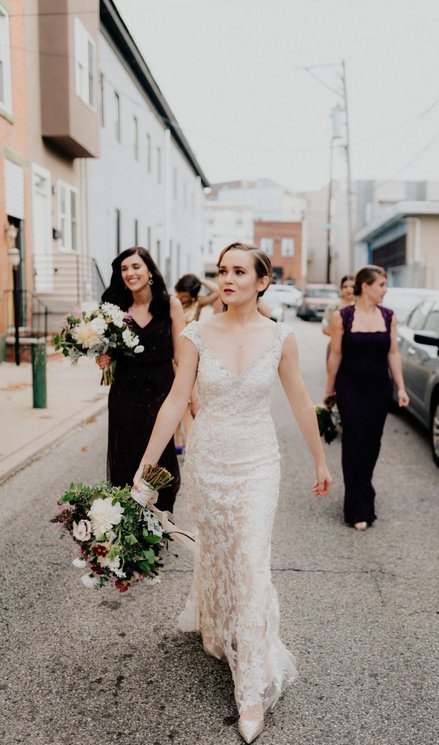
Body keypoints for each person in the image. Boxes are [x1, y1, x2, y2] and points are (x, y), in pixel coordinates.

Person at [131, 242, 332, 743]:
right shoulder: (197, 334)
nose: (228, 278)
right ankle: (217, 625)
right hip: (209, 460)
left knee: (250, 563)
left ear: (262, 281)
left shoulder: (281, 337)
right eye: (223, 271)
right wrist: (146, 465)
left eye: (239, 271)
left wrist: (321, 459)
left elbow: (301, 402)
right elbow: (177, 399)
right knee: (220, 554)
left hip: (259, 462)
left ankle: (252, 691)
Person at [96, 247, 185, 512]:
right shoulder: (115, 309)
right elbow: (107, 351)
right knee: (126, 456)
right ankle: (127, 521)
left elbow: (181, 357)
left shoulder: (170, 304)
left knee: (160, 457)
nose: (130, 273)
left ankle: (158, 520)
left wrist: (189, 398)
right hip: (125, 392)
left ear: (149, 270)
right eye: (124, 269)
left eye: (135, 267)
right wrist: (103, 358)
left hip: (161, 393)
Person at [324, 265, 408, 531]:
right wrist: (329, 390)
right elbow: (335, 354)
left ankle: (365, 489)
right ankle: (357, 506)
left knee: (373, 442)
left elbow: (393, 353)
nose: (385, 290)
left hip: (378, 389)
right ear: (365, 286)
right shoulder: (343, 316)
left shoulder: (388, 316)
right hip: (350, 387)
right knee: (354, 441)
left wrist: (401, 388)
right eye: (381, 284)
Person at [173, 274, 221, 452]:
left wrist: (200, 280)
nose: (181, 298)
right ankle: (178, 438)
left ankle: (190, 440)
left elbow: (218, 291)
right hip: (173, 355)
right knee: (175, 398)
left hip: (191, 353)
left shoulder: (198, 302)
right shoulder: (172, 303)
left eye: (185, 295)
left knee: (190, 398)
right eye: (180, 293)